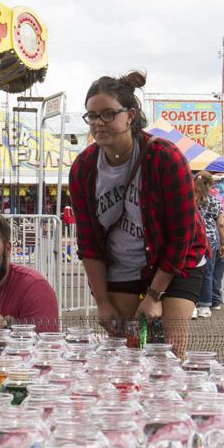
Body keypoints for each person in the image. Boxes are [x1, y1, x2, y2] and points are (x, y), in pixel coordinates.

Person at [68, 71, 208, 356]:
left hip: (177, 262)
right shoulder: (83, 167)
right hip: (123, 266)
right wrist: (102, 302)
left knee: (169, 353)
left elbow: (182, 235)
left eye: (108, 114)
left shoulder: (165, 158)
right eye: (92, 116)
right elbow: (88, 243)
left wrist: (154, 295)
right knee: (127, 352)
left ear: (130, 115)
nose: (98, 123)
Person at [194, 171, 224, 319]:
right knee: (207, 273)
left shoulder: (187, 199)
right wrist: (223, 243)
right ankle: (205, 306)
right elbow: (220, 224)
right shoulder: (213, 202)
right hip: (209, 240)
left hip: (191, 238)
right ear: (208, 185)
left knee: (190, 273)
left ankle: (191, 305)